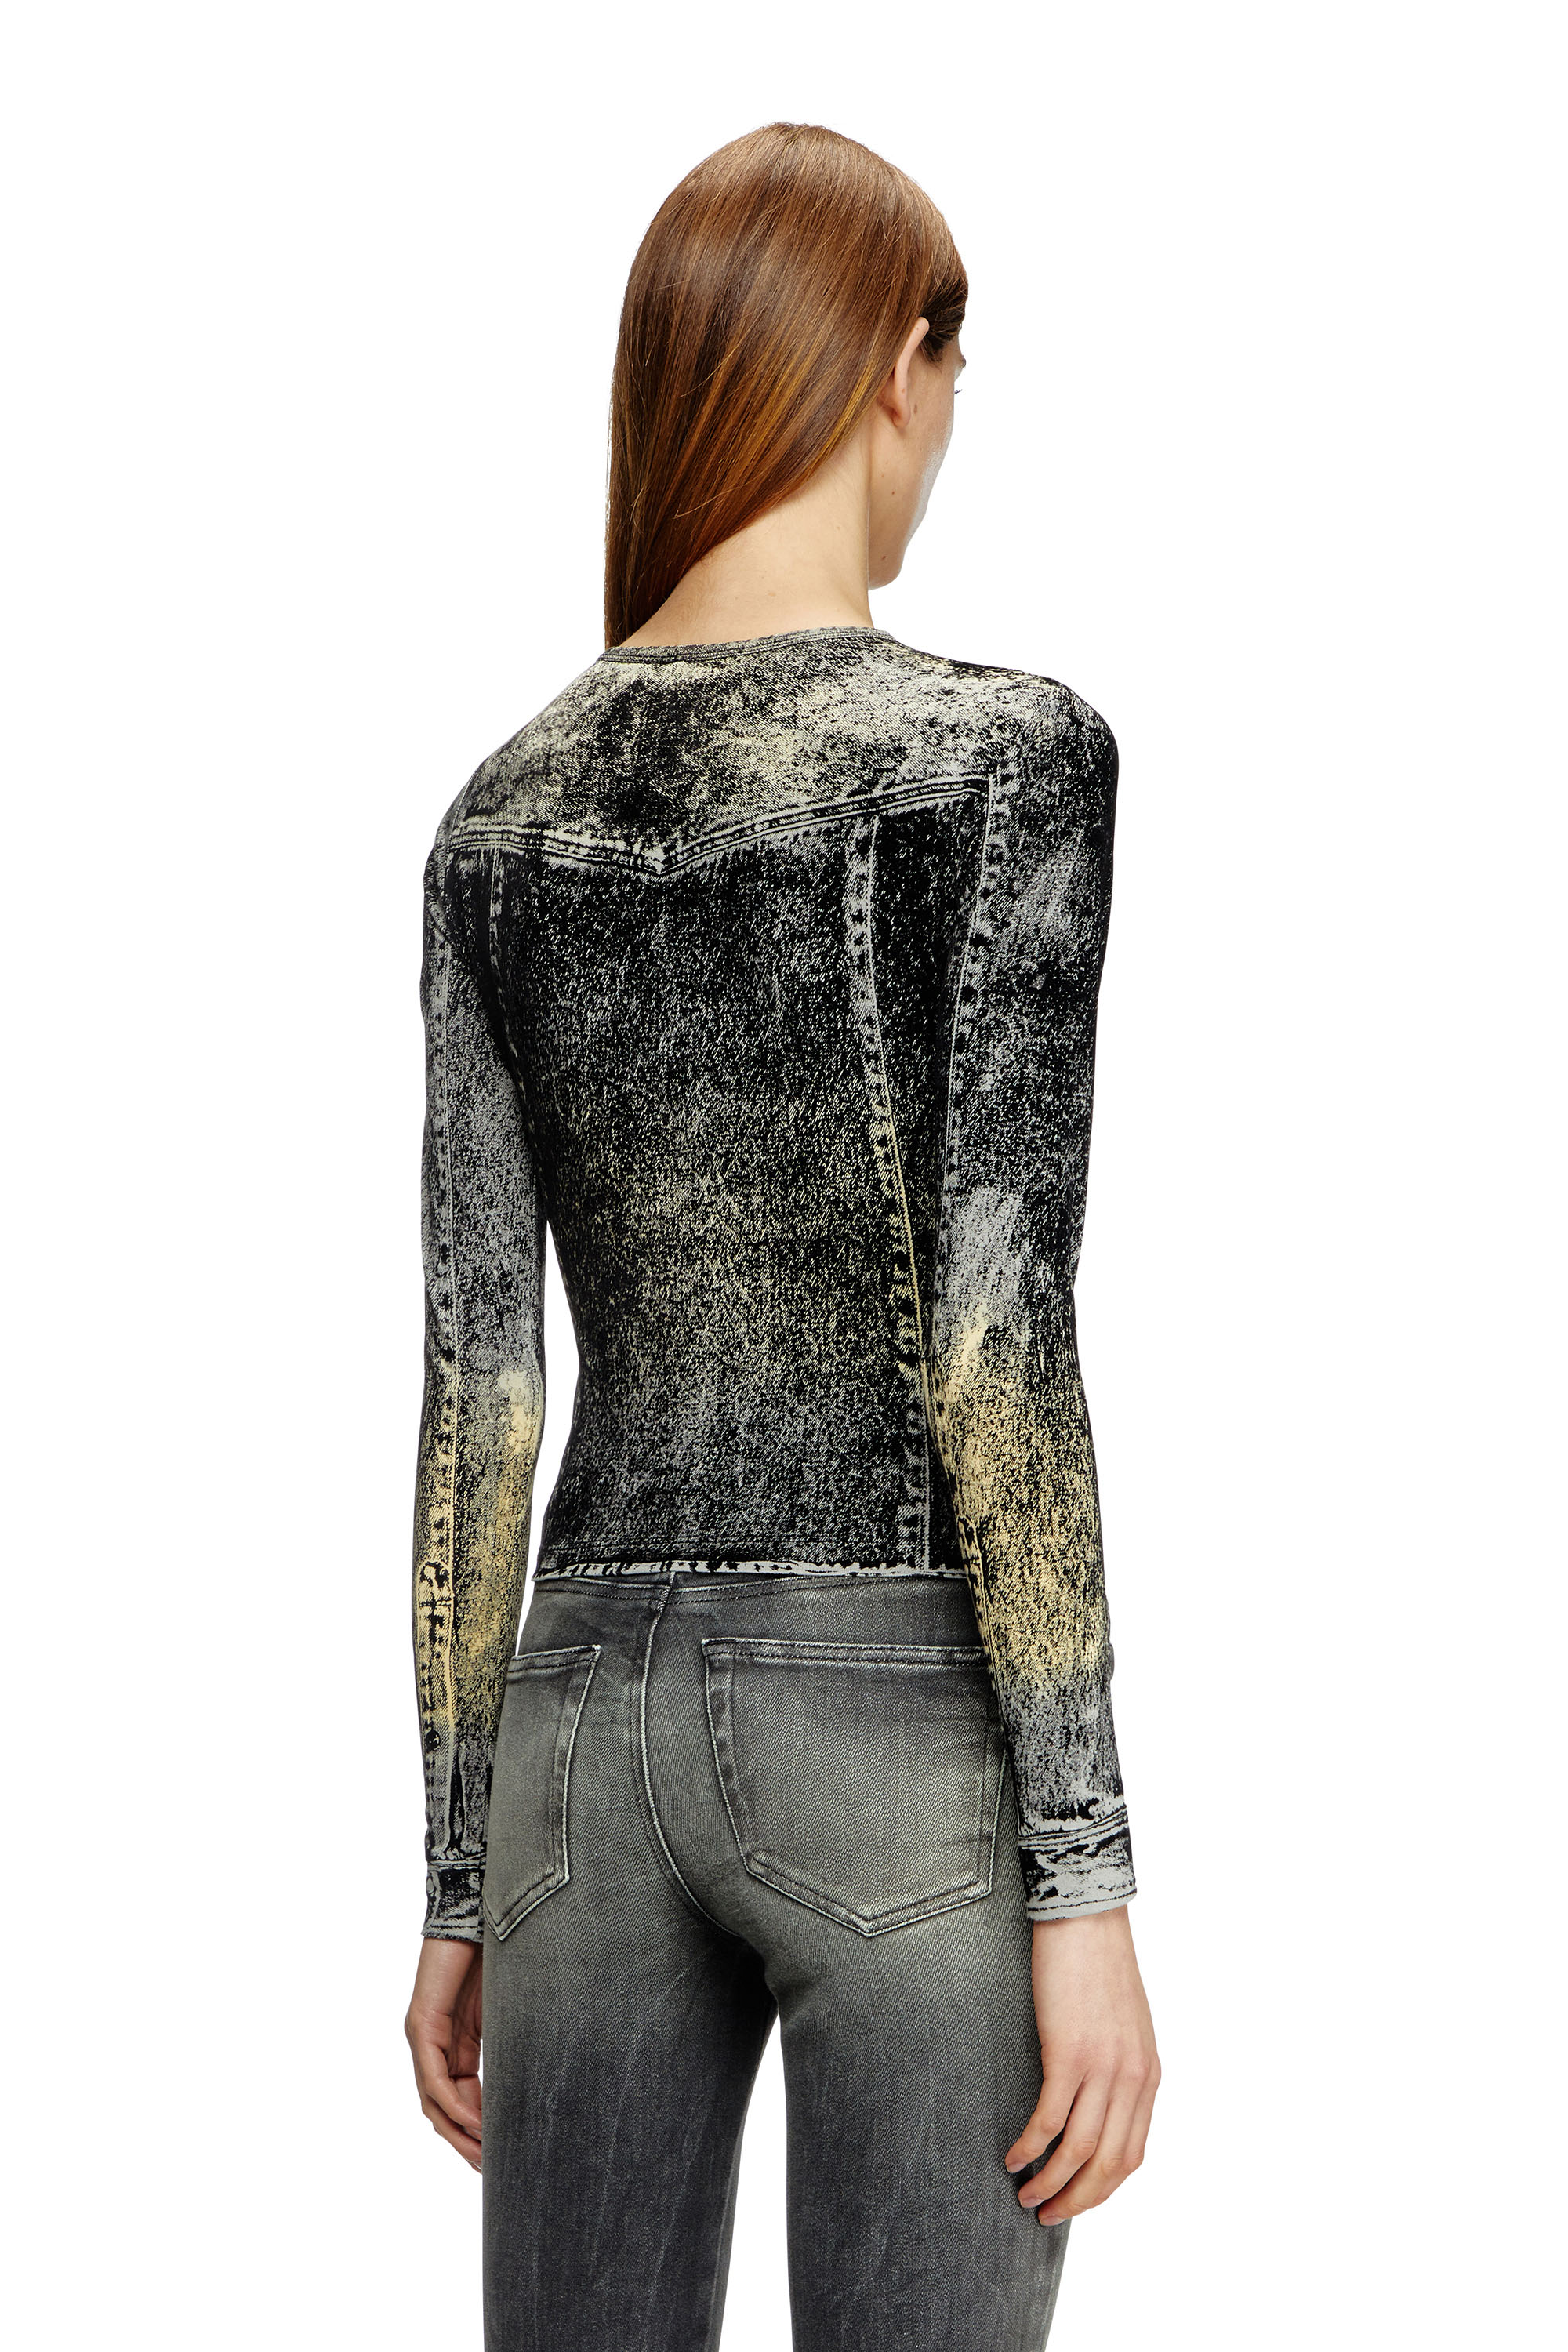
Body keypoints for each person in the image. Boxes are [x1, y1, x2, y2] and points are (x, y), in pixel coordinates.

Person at [403, 120, 1159, 2351]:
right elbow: (999, 1341)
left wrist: (457, 1867)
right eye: (955, 373)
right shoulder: (1004, 762)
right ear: (897, 365)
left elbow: (481, 1391)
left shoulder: (499, 818)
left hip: (574, 1733)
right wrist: (1086, 1870)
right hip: (893, 1716)